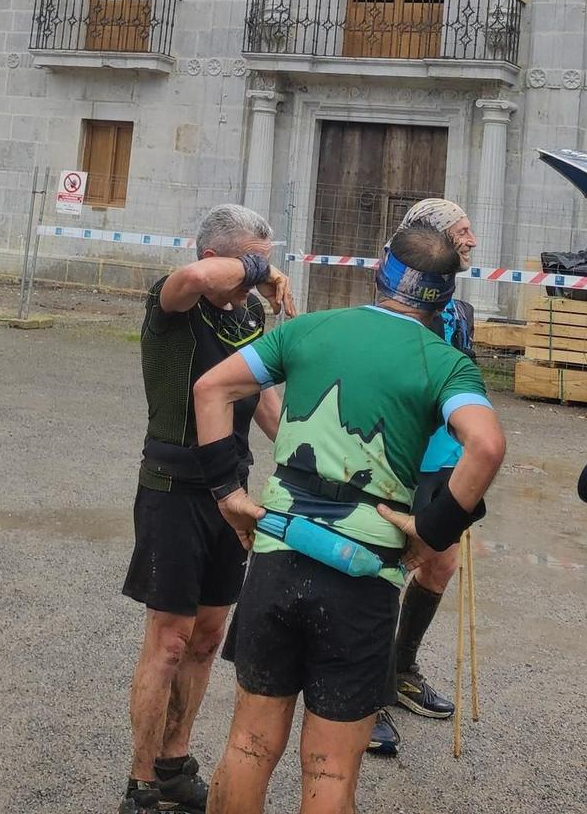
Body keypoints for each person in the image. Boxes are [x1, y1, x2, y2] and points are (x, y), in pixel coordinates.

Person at [192, 224, 506, 814]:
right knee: (332, 769)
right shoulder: (445, 362)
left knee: (250, 743)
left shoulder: (309, 329)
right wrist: (431, 531)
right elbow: (485, 447)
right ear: (444, 296)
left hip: (279, 553)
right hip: (365, 573)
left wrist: (228, 493)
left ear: (379, 272)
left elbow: (211, 388)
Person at [119, 205, 292, 814]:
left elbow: (263, 399)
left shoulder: (245, 313)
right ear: (212, 256)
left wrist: (303, 455)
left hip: (231, 491)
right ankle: (140, 783)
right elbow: (191, 281)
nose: (256, 278)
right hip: (172, 488)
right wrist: (257, 268)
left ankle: (173, 764)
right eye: (245, 261)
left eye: (263, 263)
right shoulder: (172, 303)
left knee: (208, 636)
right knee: (168, 640)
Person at [370, 197, 478, 758]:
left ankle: (401, 667)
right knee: (390, 561)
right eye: (462, 232)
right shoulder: (398, 304)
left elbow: (465, 377)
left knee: (441, 562)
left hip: (444, 459)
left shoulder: (462, 312)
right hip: (401, 453)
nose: (472, 242)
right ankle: (367, 694)